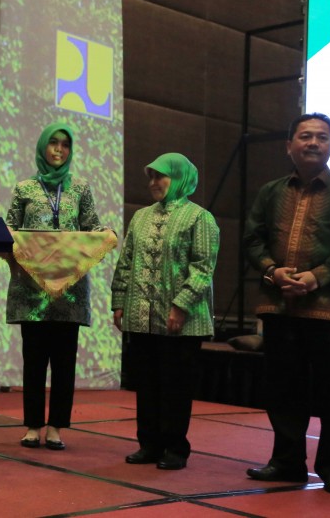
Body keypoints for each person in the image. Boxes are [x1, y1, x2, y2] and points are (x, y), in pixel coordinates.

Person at [242, 112, 330, 496]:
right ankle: (287, 463)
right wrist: (272, 271)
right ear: (288, 145)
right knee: (283, 389)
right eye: (305, 136)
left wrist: (317, 276)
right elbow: (252, 240)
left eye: (322, 137)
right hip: (279, 306)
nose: (313, 143)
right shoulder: (270, 191)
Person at [111, 153, 219, 470]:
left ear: (180, 178)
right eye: (151, 177)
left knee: (175, 385)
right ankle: (149, 444)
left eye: (161, 176)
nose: (153, 183)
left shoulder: (200, 218)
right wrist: (119, 301)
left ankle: (175, 448)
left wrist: (180, 305)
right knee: (146, 383)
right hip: (141, 316)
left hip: (182, 321)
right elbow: (126, 262)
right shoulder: (141, 217)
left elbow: (203, 268)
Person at [6, 123, 109, 451]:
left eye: (65, 145)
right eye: (53, 143)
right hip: (31, 290)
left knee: (64, 363)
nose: (59, 150)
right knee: (34, 361)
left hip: (69, 291)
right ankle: (33, 425)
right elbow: (9, 227)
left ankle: (56, 427)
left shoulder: (80, 188)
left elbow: (92, 228)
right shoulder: (24, 188)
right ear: (42, 147)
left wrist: (105, 234)